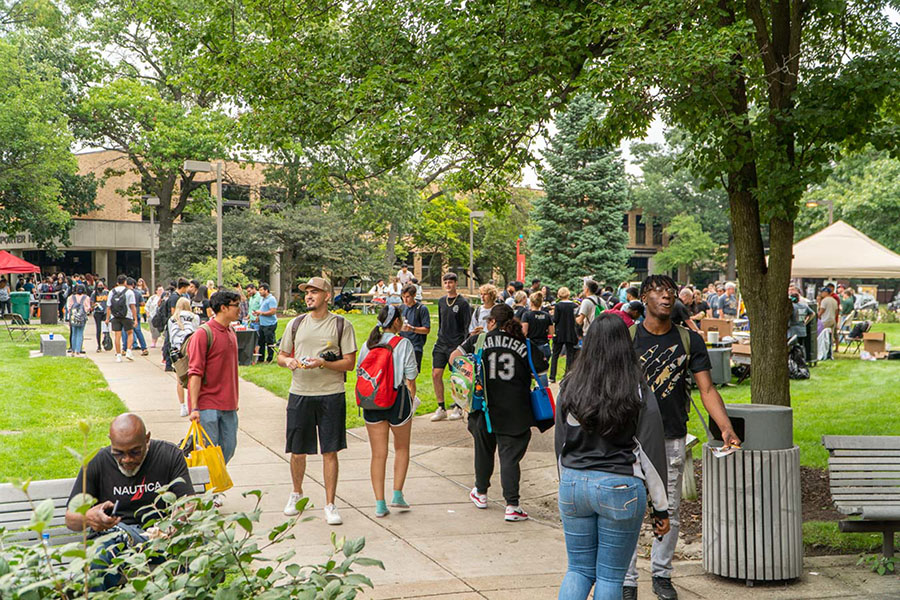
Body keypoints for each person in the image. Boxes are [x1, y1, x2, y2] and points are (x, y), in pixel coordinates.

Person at [624, 274, 741, 600]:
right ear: (645, 297)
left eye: (671, 293)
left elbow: (707, 389)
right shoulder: (629, 337)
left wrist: (725, 427)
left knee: (670, 511)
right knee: (630, 510)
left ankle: (661, 575)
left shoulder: (689, 340)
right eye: (659, 291)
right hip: (630, 440)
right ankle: (628, 579)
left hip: (671, 437)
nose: (666, 297)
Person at [556, 314, 670, 600]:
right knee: (610, 575)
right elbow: (651, 450)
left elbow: (561, 444)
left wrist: (565, 484)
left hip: (573, 483)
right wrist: (661, 508)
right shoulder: (637, 388)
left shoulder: (570, 385)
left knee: (578, 570)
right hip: (619, 486)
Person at [64, 413, 194, 591]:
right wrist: (89, 517)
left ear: (147, 439)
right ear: (110, 441)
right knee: (98, 560)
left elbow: (187, 502)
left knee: (193, 556)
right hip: (112, 543)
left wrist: (174, 523)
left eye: (135, 452)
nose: (127, 459)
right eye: (119, 453)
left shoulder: (169, 455)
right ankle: (127, 535)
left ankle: (131, 536)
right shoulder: (98, 462)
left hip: (160, 539)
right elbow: (70, 519)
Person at [450, 303, 548, 522]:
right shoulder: (526, 343)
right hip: (517, 410)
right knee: (509, 458)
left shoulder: (480, 340)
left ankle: (481, 493)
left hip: (484, 408)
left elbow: (455, 358)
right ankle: (512, 505)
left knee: (483, 450)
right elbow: (542, 373)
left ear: (492, 321)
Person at [277, 277, 357, 525]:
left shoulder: (342, 325)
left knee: (330, 450)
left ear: (327, 296)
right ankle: (296, 493)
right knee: (297, 450)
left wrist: (323, 363)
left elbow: (350, 364)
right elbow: (280, 356)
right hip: (300, 393)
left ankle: (330, 504)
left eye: (315, 291)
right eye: (307, 292)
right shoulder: (296, 323)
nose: (309, 295)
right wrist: (288, 361)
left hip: (331, 395)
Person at [358, 304, 418, 517]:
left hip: (372, 401)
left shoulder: (369, 344)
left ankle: (379, 504)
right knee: (401, 448)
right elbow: (411, 377)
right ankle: (397, 494)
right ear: (396, 322)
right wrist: (413, 397)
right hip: (398, 400)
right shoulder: (403, 344)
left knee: (378, 454)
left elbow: (361, 370)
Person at [187, 290, 242, 493]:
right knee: (210, 452)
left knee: (228, 448)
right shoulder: (203, 334)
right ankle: (210, 491)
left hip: (229, 404)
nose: (240, 309)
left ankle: (212, 484)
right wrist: (194, 408)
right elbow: (195, 373)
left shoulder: (231, 332)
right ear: (223, 308)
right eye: (236, 305)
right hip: (207, 405)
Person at [430, 272, 472, 422]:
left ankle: (459, 406)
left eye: (451, 282)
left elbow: (467, 326)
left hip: (456, 344)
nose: (448, 285)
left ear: (456, 283)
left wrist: (463, 345)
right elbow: (442, 322)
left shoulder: (463, 303)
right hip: (442, 343)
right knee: (436, 374)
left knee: (457, 377)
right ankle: (441, 407)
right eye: (446, 282)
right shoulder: (441, 301)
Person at [168, 297, 199, 417]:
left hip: (177, 351)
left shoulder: (172, 319)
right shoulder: (194, 317)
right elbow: (197, 333)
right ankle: (194, 405)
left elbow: (170, 336)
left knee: (180, 380)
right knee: (194, 377)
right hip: (191, 349)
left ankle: (182, 406)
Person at [550, 286, 579, 383]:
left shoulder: (558, 306)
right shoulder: (574, 306)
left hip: (559, 332)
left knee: (555, 354)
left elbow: (555, 319)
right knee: (570, 354)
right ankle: (568, 375)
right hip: (570, 332)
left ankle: (552, 376)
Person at [400, 283, 431, 372]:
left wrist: (412, 329)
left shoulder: (421, 309)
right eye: (403, 297)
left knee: (411, 375)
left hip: (415, 346)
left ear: (414, 295)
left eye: (407, 297)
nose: (405, 299)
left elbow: (426, 330)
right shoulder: (402, 307)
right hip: (402, 344)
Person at [106, 274, 137, 362]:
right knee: (130, 333)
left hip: (115, 316)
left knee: (117, 335)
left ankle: (118, 355)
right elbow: (132, 306)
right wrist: (135, 318)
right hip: (127, 315)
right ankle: (128, 350)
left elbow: (108, 306)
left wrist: (107, 318)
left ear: (117, 282)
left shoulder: (112, 292)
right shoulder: (129, 292)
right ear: (125, 282)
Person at [163, 278, 191, 372]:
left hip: (173, 323)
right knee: (170, 343)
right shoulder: (175, 297)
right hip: (173, 323)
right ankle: (168, 364)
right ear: (183, 287)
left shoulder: (175, 296)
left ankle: (169, 363)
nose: (187, 290)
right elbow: (173, 312)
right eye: (187, 287)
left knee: (170, 343)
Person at [522, 291, 553, 358]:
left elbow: (524, 332)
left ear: (531, 303)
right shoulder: (547, 315)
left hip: (531, 345)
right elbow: (551, 333)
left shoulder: (527, 315)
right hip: (544, 345)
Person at [254, 283, 279, 363]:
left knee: (269, 342)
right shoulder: (262, 299)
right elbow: (262, 309)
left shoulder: (271, 299)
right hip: (262, 324)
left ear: (266, 290)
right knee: (261, 341)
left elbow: (273, 311)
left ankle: (269, 359)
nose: (259, 292)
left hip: (270, 324)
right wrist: (258, 316)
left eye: (261, 290)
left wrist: (261, 313)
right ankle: (261, 359)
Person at [66, 284, 91, 355]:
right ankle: (78, 350)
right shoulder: (86, 298)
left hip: (73, 317)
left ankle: (73, 349)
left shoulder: (71, 297)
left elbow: (69, 307)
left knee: (74, 333)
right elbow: (87, 308)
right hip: (82, 318)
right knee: (80, 333)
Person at [127, 278, 149, 355]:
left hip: (128, 314)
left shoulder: (125, 293)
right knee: (138, 331)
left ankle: (125, 348)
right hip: (136, 313)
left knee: (125, 331)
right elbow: (142, 303)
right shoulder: (138, 293)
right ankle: (144, 348)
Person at [817, 287, 839, 361]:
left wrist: (818, 316)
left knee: (823, 337)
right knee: (831, 336)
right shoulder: (834, 301)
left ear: (826, 292)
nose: (821, 293)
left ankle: (824, 352)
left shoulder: (824, 301)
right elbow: (836, 311)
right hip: (832, 320)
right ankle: (830, 351)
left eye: (822, 292)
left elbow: (822, 310)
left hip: (825, 320)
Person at [90, 282, 109, 353]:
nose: (101, 286)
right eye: (99, 285)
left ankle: (106, 341)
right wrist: (95, 305)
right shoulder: (94, 293)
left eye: (102, 285)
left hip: (105, 312)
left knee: (106, 329)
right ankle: (99, 345)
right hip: (97, 312)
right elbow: (91, 305)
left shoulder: (107, 292)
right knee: (98, 329)